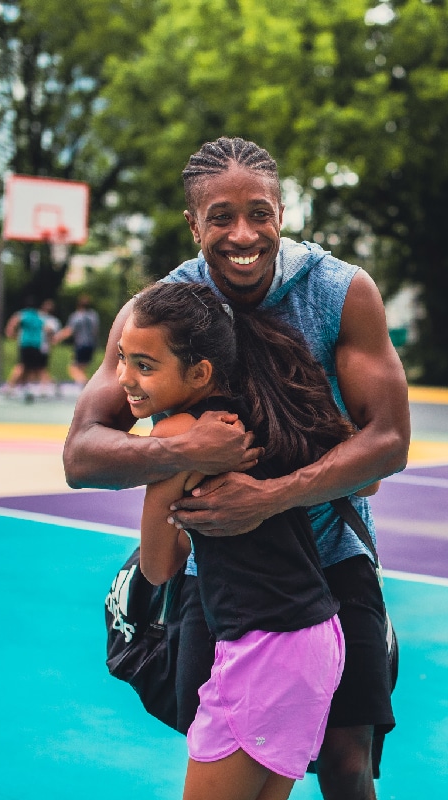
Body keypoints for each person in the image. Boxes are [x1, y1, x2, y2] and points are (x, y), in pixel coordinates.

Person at [63, 136, 411, 800]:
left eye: (260, 212)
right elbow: (83, 453)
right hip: (217, 572)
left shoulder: (339, 292)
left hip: (331, 555)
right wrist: (183, 451)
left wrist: (272, 495)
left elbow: (388, 442)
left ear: (283, 212)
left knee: (345, 761)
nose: (242, 232)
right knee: (225, 752)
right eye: (221, 216)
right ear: (193, 225)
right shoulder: (162, 312)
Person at [123, 280, 380, 800]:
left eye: (144, 365)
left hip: (263, 648)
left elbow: (156, 567)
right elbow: (368, 478)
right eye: (125, 359)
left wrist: (171, 476)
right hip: (315, 639)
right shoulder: (272, 412)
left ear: (200, 372)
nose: (126, 378)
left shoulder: (178, 435)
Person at [4, 298, 62, 401]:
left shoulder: (23, 314)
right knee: (35, 368)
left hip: (25, 344)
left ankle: (10, 387)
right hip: (37, 345)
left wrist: (11, 334)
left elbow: (13, 323)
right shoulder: (39, 317)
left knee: (22, 366)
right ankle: (28, 388)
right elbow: (47, 330)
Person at [57, 293, 100, 387]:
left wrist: (57, 337)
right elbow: (95, 331)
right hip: (91, 344)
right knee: (82, 369)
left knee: (73, 369)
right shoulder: (93, 315)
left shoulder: (76, 316)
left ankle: (87, 386)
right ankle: (85, 386)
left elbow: (69, 330)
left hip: (81, 344)